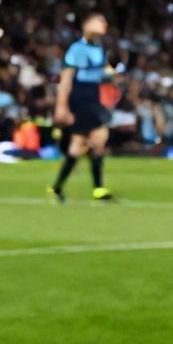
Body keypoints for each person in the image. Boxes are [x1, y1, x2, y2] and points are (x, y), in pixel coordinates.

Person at [50, 12, 114, 203]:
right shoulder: (76, 49)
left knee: (79, 146)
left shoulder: (99, 48)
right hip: (79, 97)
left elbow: (103, 70)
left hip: (93, 97)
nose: (103, 24)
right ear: (86, 25)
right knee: (98, 138)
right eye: (99, 21)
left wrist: (111, 73)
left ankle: (58, 187)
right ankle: (98, 188)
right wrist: (61, 106)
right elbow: (66, 78)